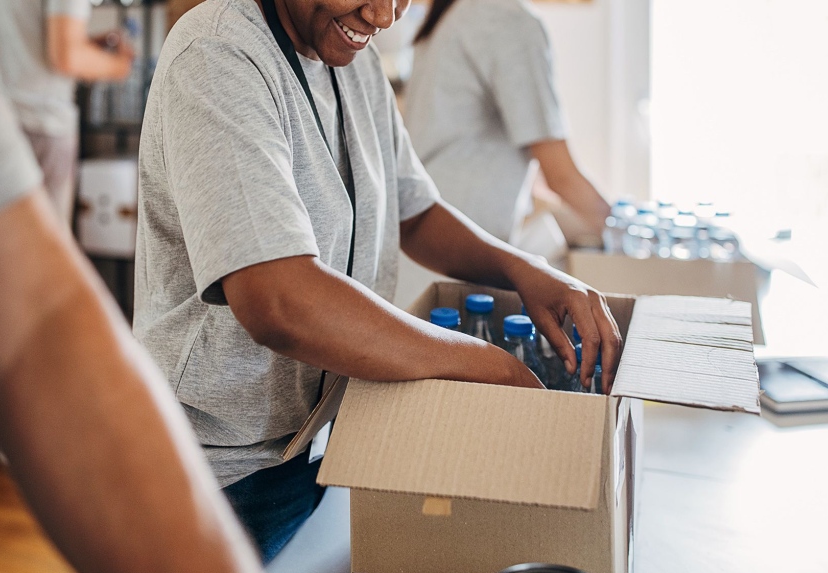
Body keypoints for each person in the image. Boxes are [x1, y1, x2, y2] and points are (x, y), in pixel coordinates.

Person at [133, 0, 623, 562]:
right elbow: (278, 300)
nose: (385, 16)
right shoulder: (218, 55)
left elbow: (411, 210)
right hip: (214, 469)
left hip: (315, 443)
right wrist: (486, 363)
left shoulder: (349, 58)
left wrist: (523, 270)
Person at [0, 1, 263, 571]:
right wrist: (117, 64)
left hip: (10, 119)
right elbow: (63, 52)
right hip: (46, 120)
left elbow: (38, 319)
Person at [403, 0, 611, 245]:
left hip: (427, 234)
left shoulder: (456, 12)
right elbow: (560, 174)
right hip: (462, 241)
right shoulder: (508, 18)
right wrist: (627, 230)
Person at [0, 0, 135, 224]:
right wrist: (120, 66)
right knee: (45, 244)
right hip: (43, 125)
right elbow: (67, 57)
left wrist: (85, 44)